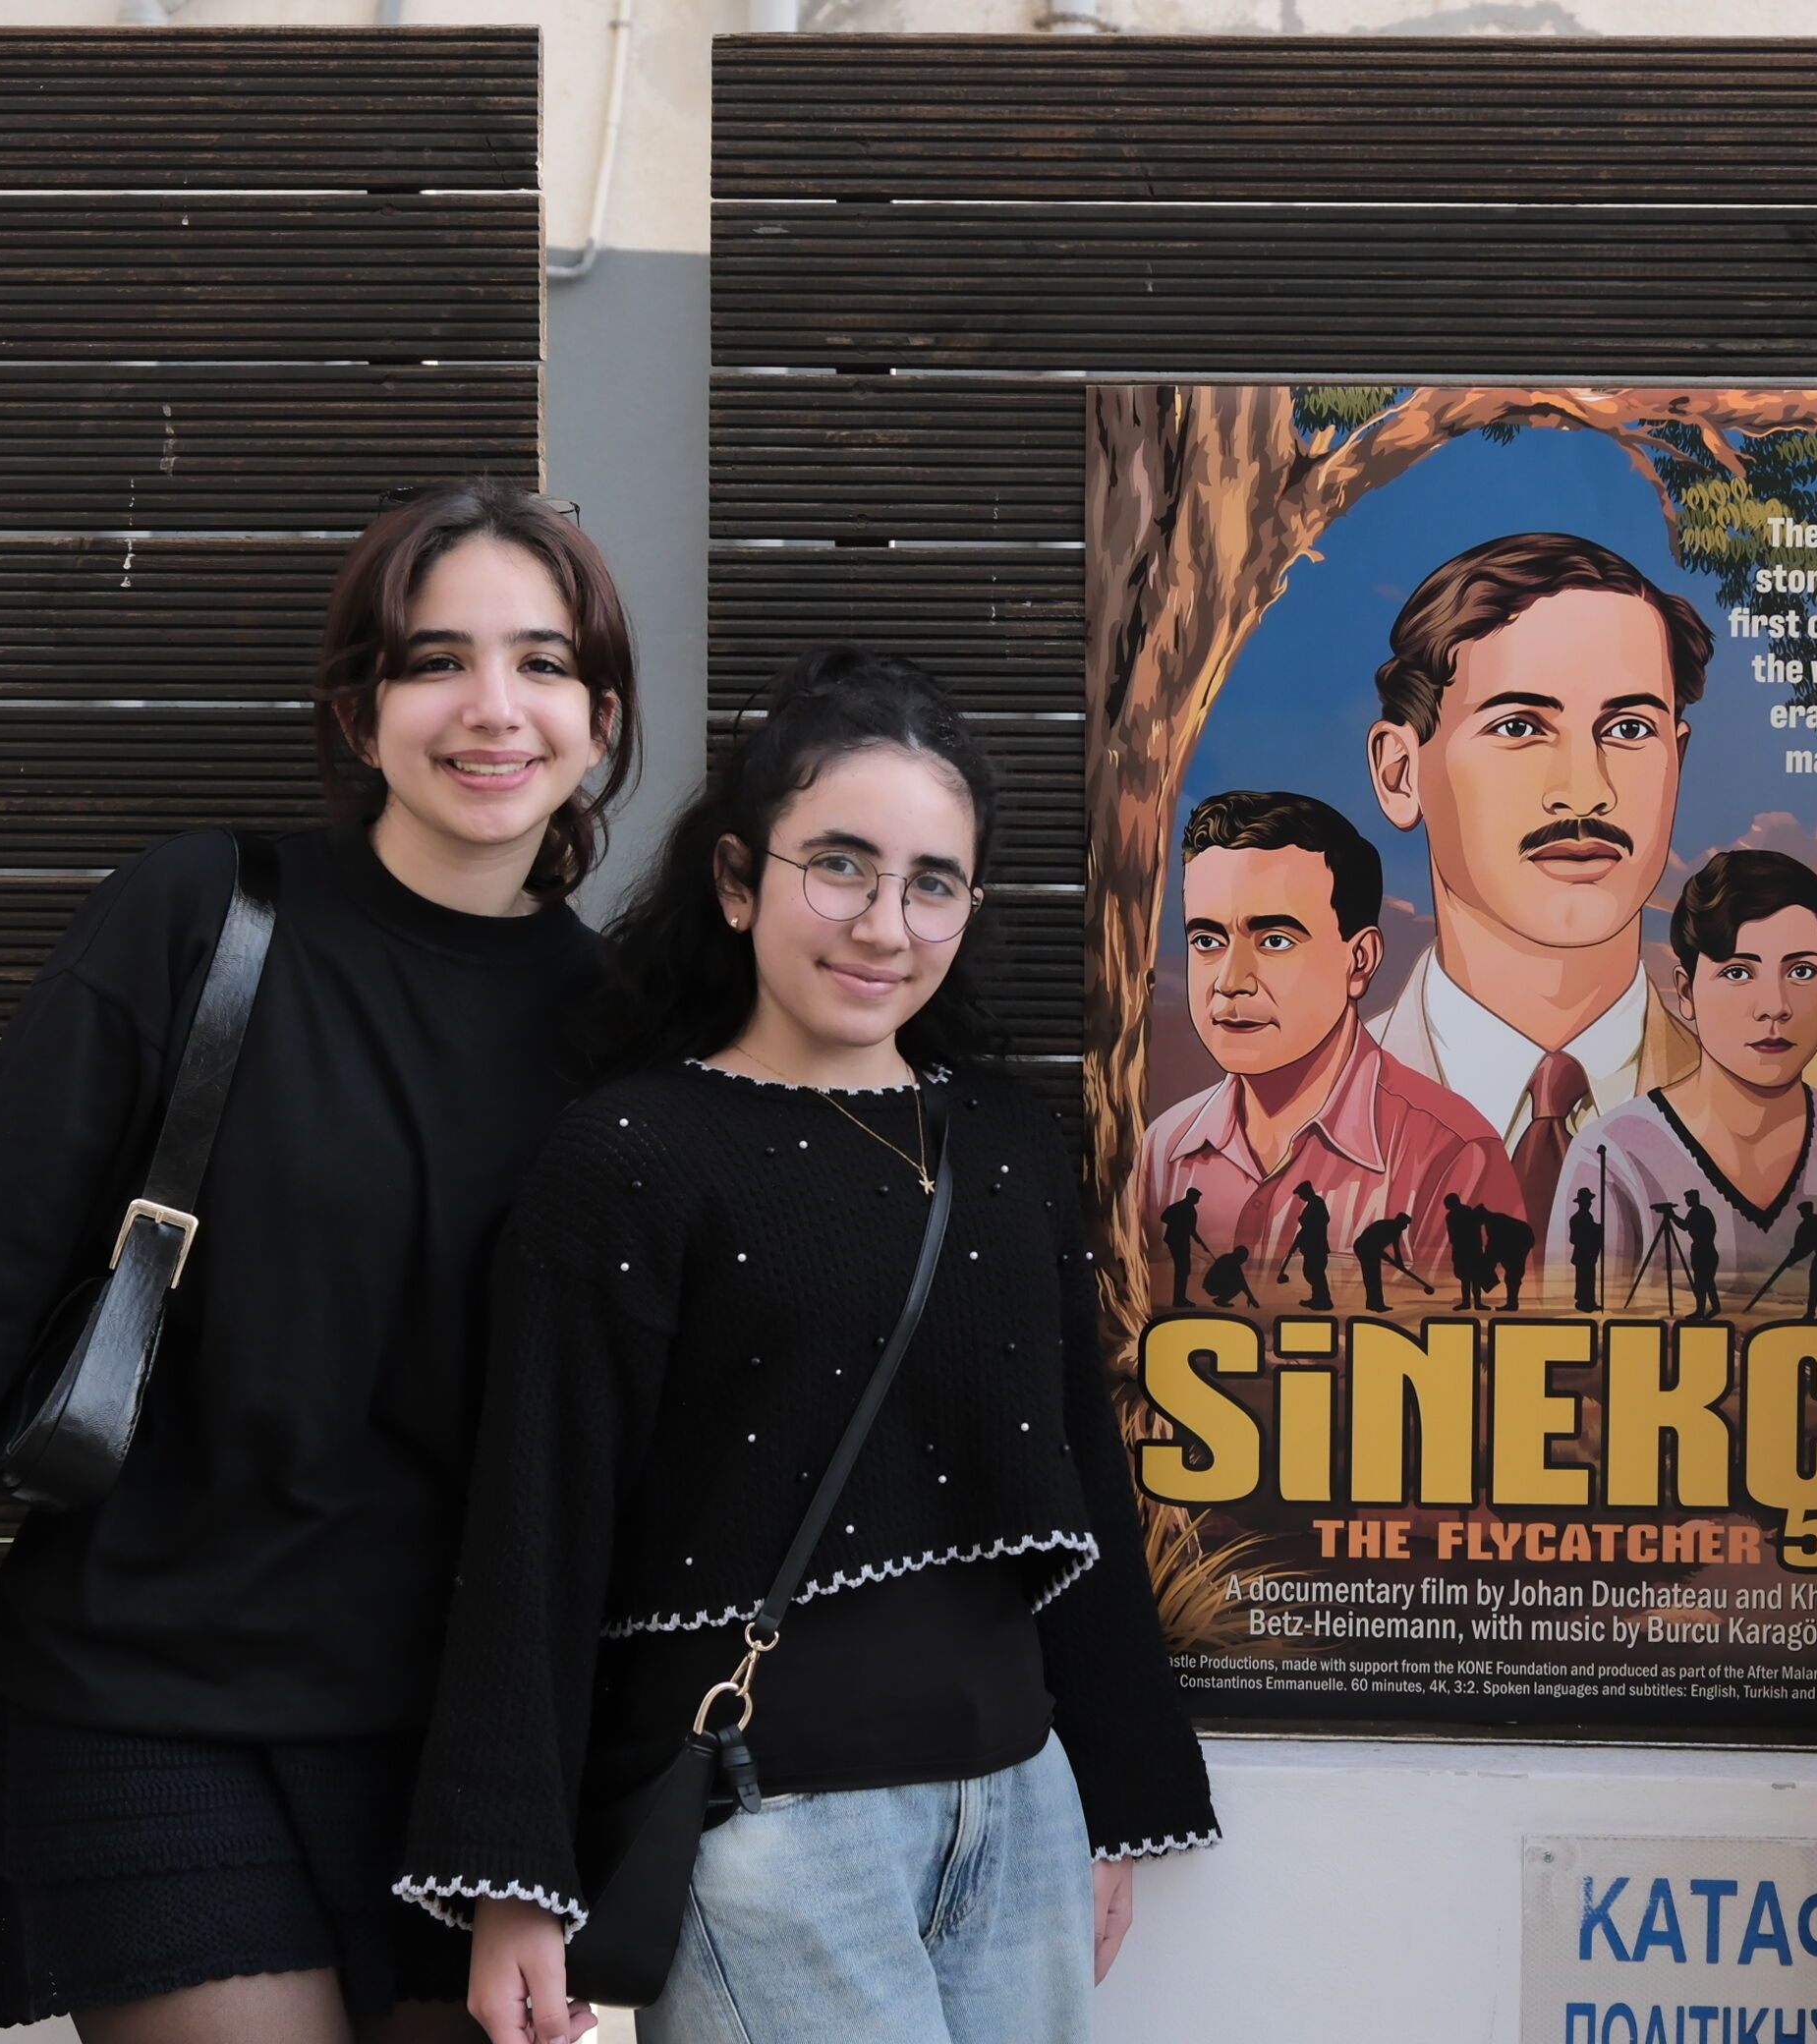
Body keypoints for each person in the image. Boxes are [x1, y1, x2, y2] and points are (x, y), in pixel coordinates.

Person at [0, 482, 638, 2040]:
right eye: (435, 660)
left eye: (542, 662)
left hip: (467, 1749)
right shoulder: (202, 919)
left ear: (600, 720)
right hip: (150, 1696)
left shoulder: (623, 1041)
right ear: (360, 712)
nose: (492, 707)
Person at [400, 651, 1217, 2044]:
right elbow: (537, 1524)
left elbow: (1083, 1476)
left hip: (1021, 1811)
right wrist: (514, 1880)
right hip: (772, 1836)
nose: (884, 925)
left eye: (932, 882)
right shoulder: (632, 1155)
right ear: (737, 881)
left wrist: (1118, 1794)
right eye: (839, 865)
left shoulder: (1007, 1147)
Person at [1363, 534, 1712, 1225]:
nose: (1585, 791)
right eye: (1520, 726)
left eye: (1629, 729)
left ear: (1677, 760)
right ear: (1401, 774)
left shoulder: (1769, 1119)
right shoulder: (1298, 1112)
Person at [1132, 789, 1520, 1302]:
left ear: (1359, 961)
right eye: (1207, 941)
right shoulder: (1165, 1148)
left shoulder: (1451, 1156)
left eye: (1274, 941)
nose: (1230, 981)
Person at [1550, 849, 1817, 1317]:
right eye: (1738, 972)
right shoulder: (1612, 1154)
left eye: (1802, 971)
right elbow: (1577, 1334)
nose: (1775, 1006)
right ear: (1686, 992)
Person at [1349, 1210, 1430, 1314]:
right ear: (1399, 1221)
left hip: (1371, 1249)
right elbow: (1373, 1244)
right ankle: (1376, 1304)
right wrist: (1385, 1256)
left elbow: (1396, 1249)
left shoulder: (1396, 1230)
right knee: (1372, 1277)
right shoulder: (1384, 1226)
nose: (1405, 1227)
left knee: (1373, 1277)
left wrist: (1399, 1263)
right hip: (1363, 1247)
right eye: (1405, 1224)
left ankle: (1373, 1304)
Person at [1278, 1181, 1335, 1309]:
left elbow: (1321, 1221)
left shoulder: (1317, 1203)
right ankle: (1319, 1298)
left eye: (1301, 1194)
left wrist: (1304, 1220)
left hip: (1316, 1247)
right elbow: (1307, 1228)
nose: (1300, 1197)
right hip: (1312, 1247)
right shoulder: (1313, 1204)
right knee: (1312, 1273)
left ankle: (1323, 1301)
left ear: (1306, 1192)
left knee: (1315, 1273)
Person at [1159, 1187, 1210, 1310]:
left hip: (1179, 1241)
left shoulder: (1184, 1208)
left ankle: (1180, 1298)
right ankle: (1179, 1299)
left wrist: (1201, 1243)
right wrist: (1178, 1223)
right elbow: (1164, 1218)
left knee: (1183, 1270)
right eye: (1197, 1197)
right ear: (1191, 1196)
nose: (1198, 1200)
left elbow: (1191, 1230)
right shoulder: (1186, 1209)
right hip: (1178, 1242)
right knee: (1182, 1270)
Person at [1677, 1191, 1722, 1321]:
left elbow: (1684, 1226)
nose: (1686, 1201)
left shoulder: (1697, 1212)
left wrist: (1672, 1216)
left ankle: (1712, 1309)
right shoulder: (1701, 1211)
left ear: (1693, 1199)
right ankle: (1702, 1310)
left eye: (1687, 1199)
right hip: (1704, 1251)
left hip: (1704, 1252)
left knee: (1705, 1283)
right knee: (1703, 1283)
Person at [1564, 1187, 1605, 1313]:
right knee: (1585, 1279)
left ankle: (1588, 1302)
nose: (1590, 1203)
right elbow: (1574, 1239)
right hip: (1584, 1255)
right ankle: (1584, 1302)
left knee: (1588, 1279)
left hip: (1587, 1254)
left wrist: (1596, 1228)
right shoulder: (1577, 1218)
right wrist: (1595, 1230)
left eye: (1589, 1201)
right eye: (1587, 1201)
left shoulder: (1586, 1216)